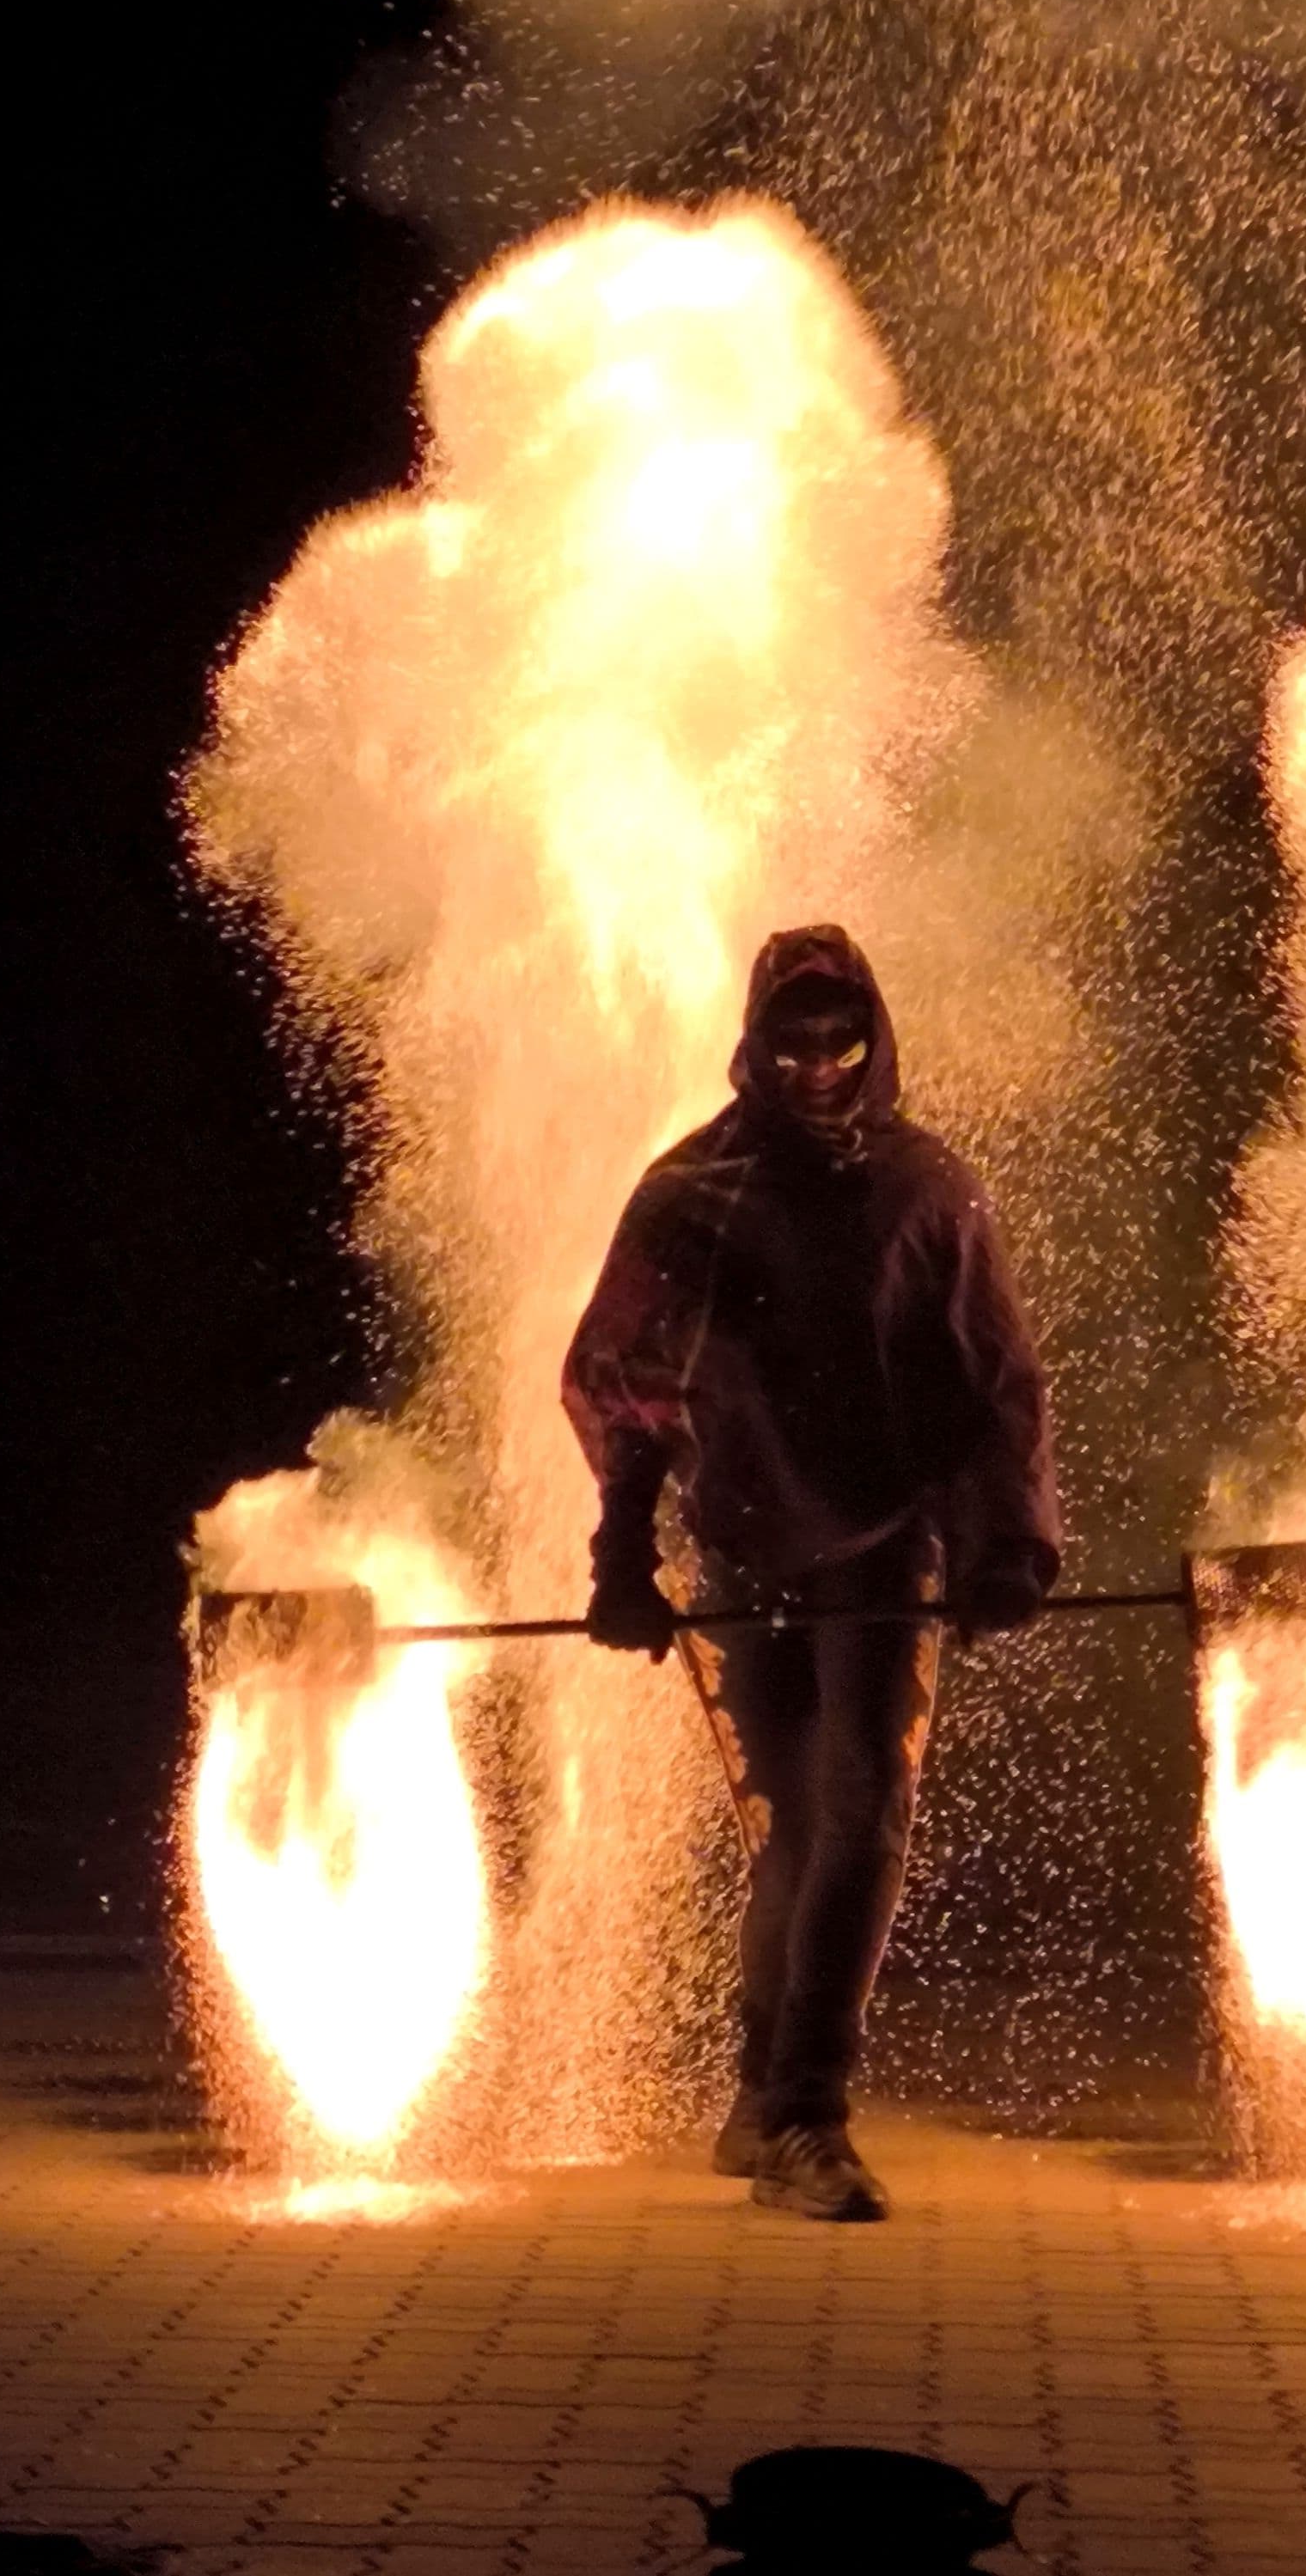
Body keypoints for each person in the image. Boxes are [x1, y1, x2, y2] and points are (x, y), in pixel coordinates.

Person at [563, 923, 1060, 2221]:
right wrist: (622, 1553)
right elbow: (622, 1378)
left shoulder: (927, 1191)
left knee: (866, 1813)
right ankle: (763, 2098)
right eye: (795, 1034)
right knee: (791, 1827)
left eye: (840, 1032)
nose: (819, 1057)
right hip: (738, 1550)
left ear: (872, 1033)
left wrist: (1007, 1545)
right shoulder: (692, 1192)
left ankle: (804, 2115)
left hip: (886, 1549)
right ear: (756, 1039)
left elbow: (995, 1381)